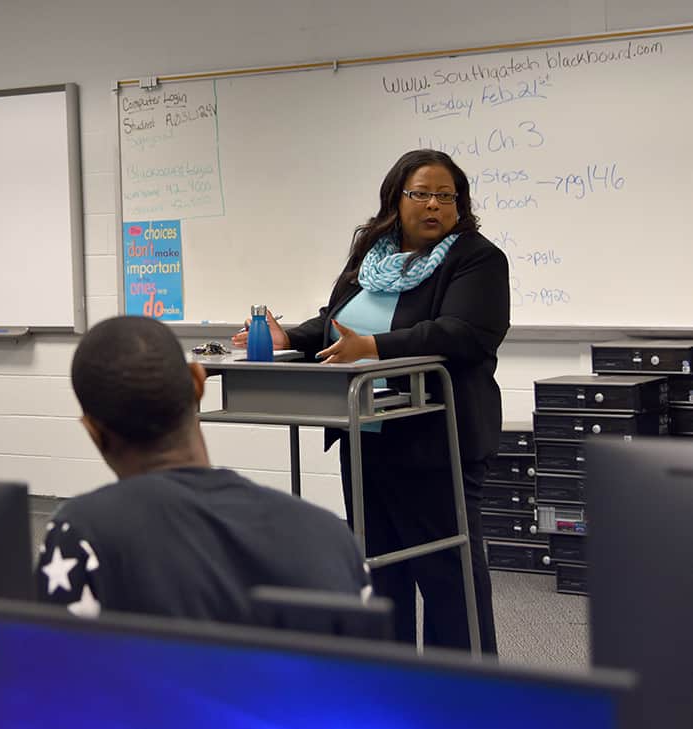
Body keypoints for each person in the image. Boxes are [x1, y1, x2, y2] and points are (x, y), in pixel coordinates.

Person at [232, 149, 509, 653]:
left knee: (448, 575)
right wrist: (288, 337)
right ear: (395, 199)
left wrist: (374, 347)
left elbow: (463, 333)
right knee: (381, 570)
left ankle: (465, 695)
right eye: (420, 194)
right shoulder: (372, 257)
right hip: (365, 434)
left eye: (446, 196)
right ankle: (390, 684)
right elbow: (335, 324)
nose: (434, 206)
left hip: (435, 437)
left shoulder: (476, 258)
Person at [37, 315, 370, 622]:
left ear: (93, 430)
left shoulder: (82, 535)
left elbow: (55, 677)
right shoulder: (329, 538)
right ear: (198, 383)